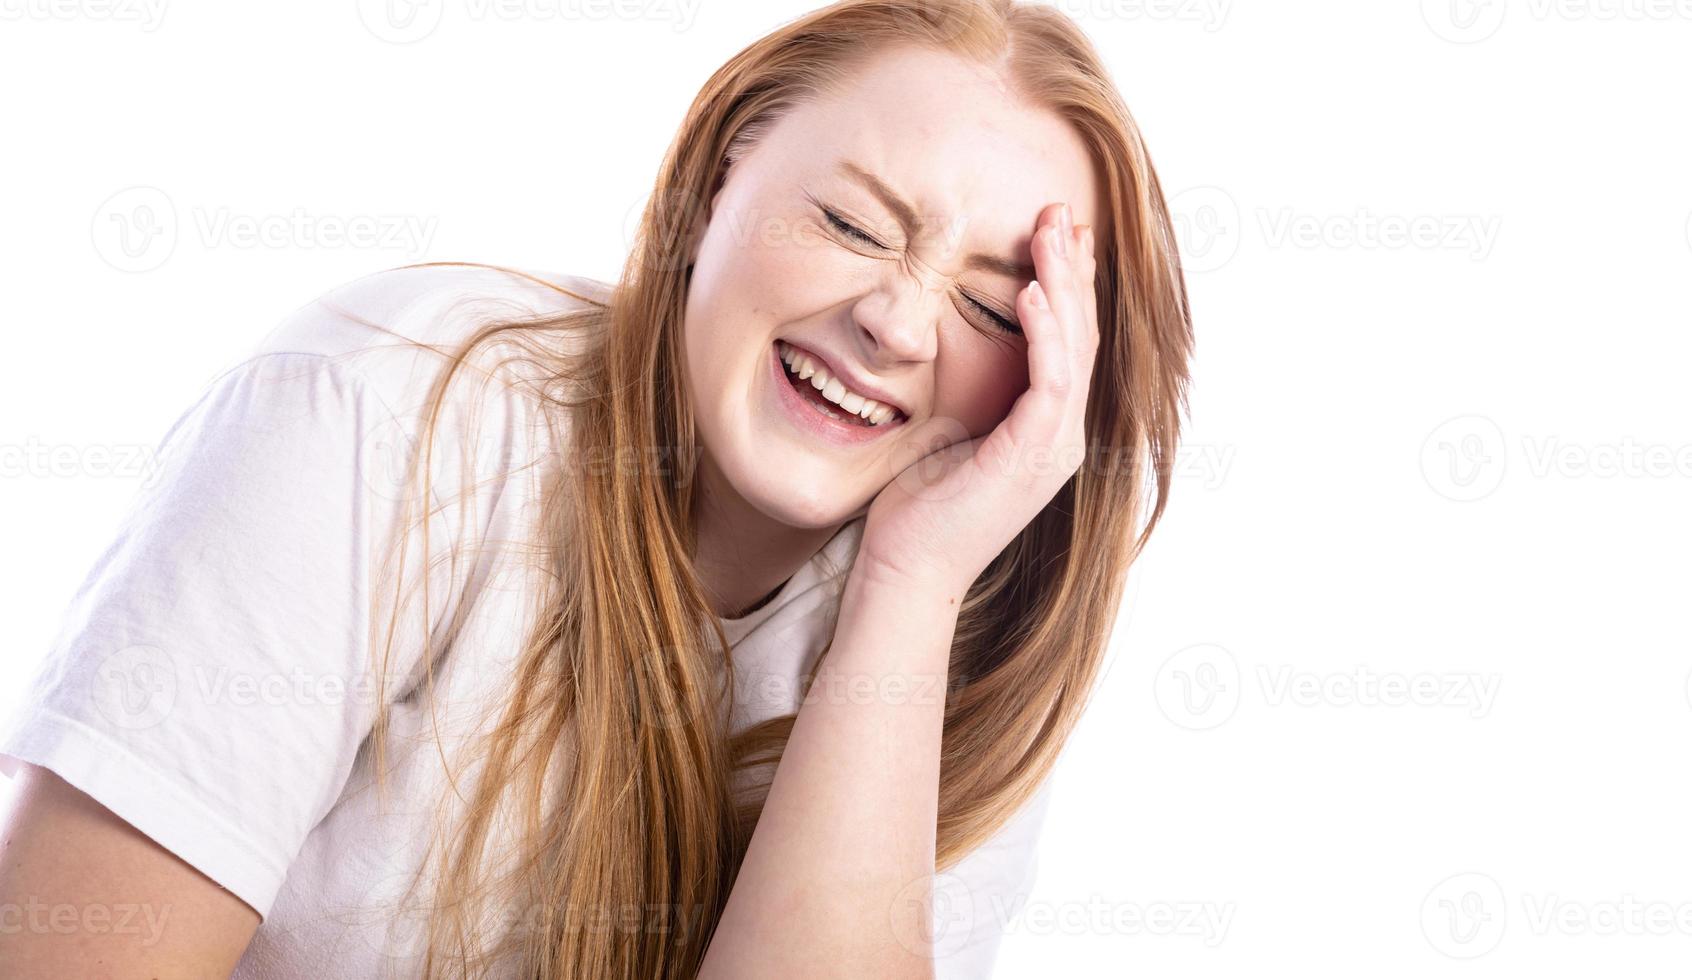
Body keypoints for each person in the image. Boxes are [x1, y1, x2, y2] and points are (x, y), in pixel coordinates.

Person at [0, 0, 1193, 976]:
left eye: (990, 306)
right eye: (848, 221)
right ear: (717, 185)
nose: (892, 321)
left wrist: (911, 584)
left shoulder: (962, 638)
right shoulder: (381, 406)